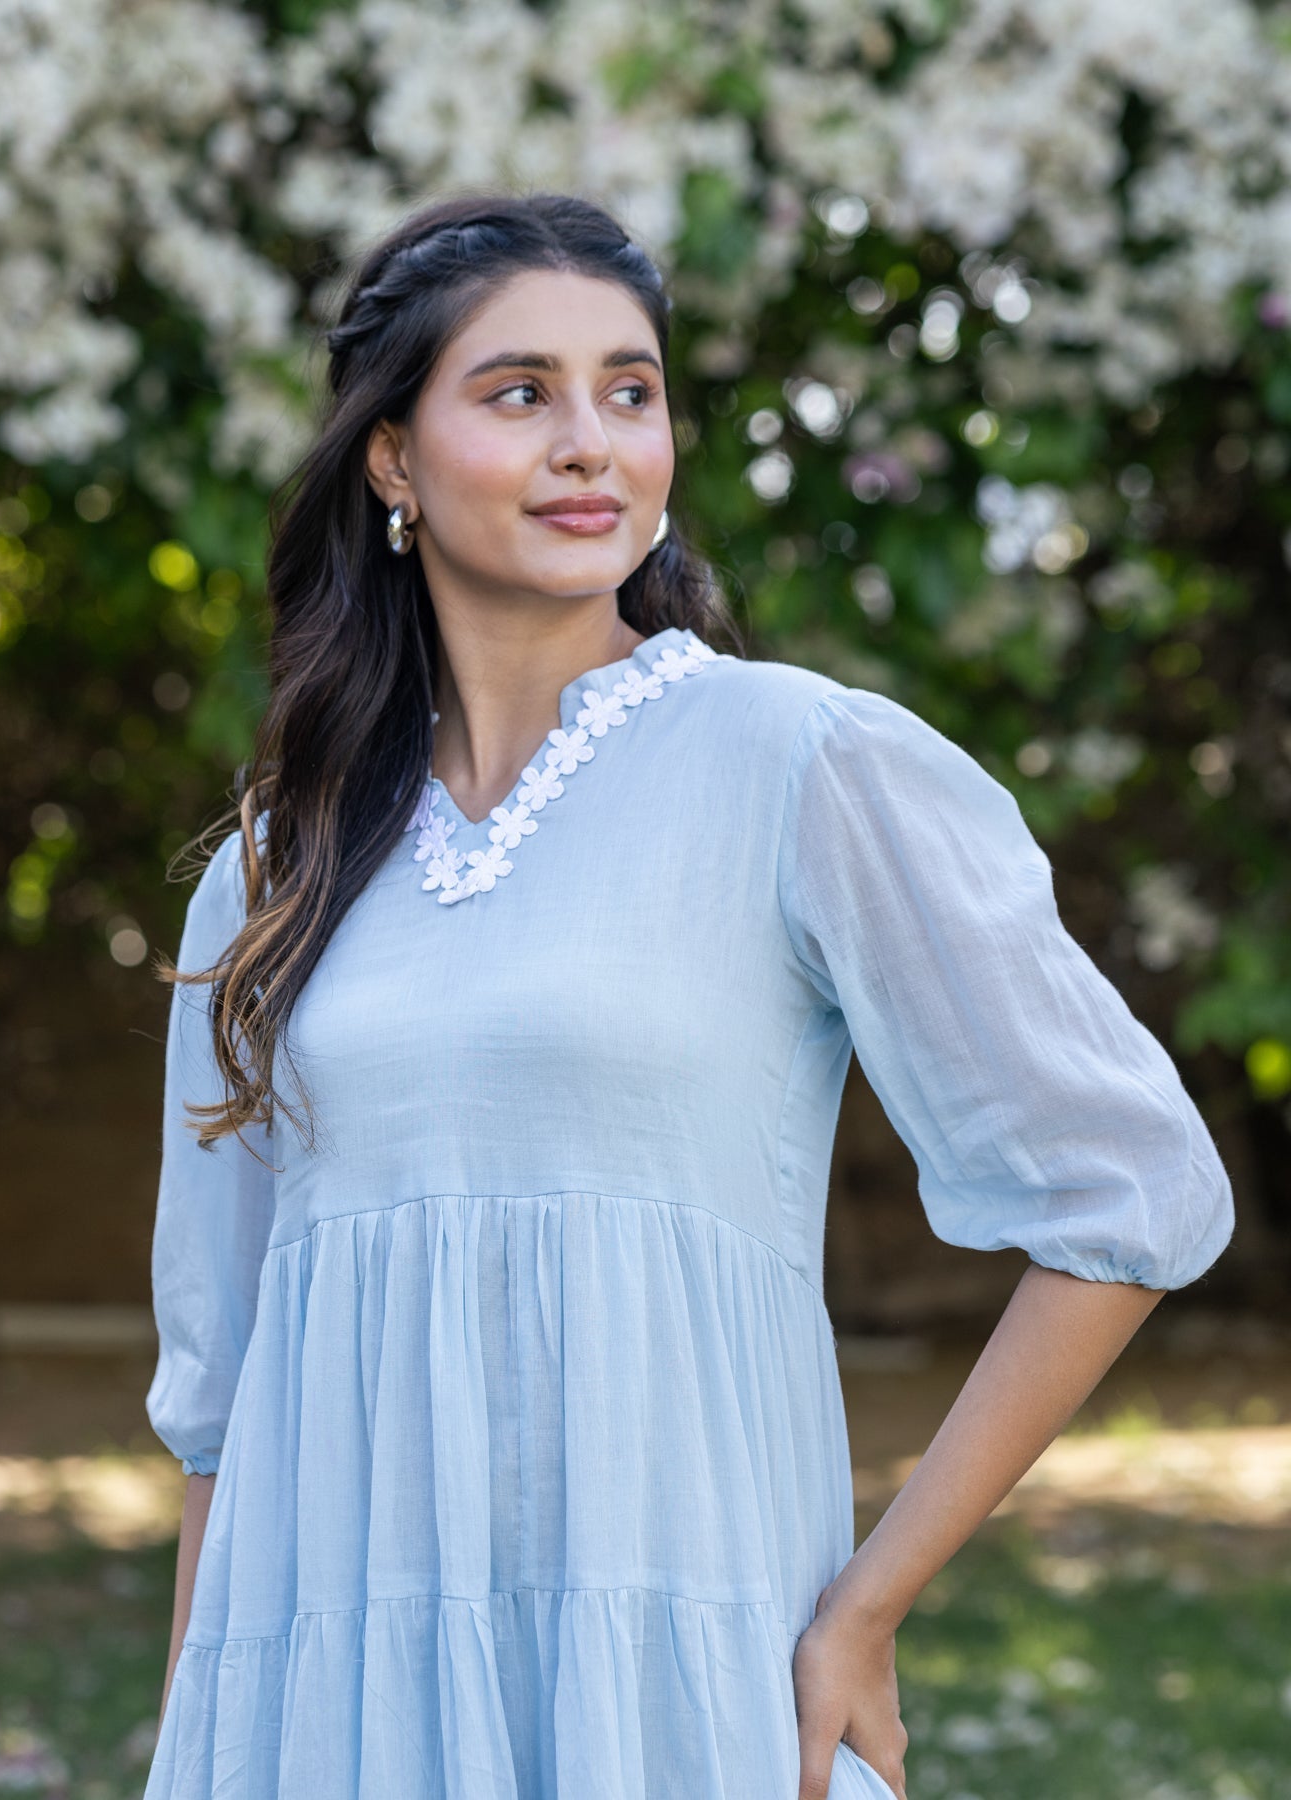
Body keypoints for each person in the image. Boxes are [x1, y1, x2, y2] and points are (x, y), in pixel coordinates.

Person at [140, 189, 1235, 1800]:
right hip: (331, 1715)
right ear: (392, 459)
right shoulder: (269, 871)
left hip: (677, 1702)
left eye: (630, 391)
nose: (592, 442)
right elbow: (223, 1405)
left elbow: (1132, 1190)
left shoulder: (796, 762)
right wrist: (199, 1745)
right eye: (521, 393)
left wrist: (864, 1612)